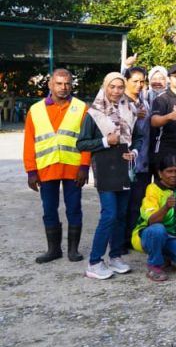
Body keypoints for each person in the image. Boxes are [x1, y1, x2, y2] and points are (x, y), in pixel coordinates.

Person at [77, 72, 145, 280]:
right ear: (104, 87)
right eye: (112, 87)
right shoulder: (94, 113)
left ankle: (115, 257)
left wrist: (134, 151)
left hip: (125, 165)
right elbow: (81, 143)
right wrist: (106, 141)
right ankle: (94, 262)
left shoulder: (130, 109)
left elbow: (139, 137)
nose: (116, 91)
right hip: (105, 167)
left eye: (119, 87)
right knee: (109, 214)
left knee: (122, 214)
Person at [24, 68, 92, 265]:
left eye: (67, 83)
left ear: (71, 85)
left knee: (74, 209)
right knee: (49, 210)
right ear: (50, 85)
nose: (63, 87)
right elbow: (29, 143)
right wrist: (31, 171)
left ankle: (73, 250)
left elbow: (87, 139)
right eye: (59, 83)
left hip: (73, 170)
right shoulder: (35, 110)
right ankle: (53, 250)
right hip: (46, 168)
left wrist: (84, 167)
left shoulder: (81, 108)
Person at [132, 155, 176, 282]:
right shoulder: (153, 189)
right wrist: (166, 207)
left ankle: (163, 255)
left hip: (173, 236)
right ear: (160, 173)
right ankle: (154, 266)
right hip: (148, 234)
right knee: (158, 229)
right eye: (169, 171)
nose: (173, 175)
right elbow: (152, 221)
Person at [123, 66, 153, 248]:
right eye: (135, 81)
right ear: (126, 81)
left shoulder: (145, 102)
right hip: (124, 163)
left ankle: (132, 238)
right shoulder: (119, 101)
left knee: (137, 203)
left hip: (143, 162)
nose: (139, 84)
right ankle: (120, 240)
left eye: (142, 81)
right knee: (122, 205)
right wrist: (133, 115)